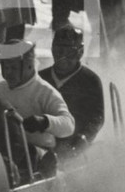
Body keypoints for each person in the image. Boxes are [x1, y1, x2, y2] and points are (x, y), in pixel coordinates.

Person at [0, 40, 75, 175]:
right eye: (6, 67)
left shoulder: (44, 92)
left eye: (14, 68)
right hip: (2, 151)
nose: (9, 73)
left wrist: (45, 122)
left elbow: (68, 125)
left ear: (28, 66)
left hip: (37, 156)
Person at [38, 26, 104, 155]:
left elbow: (96, 118)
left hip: (75, 146)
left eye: (69, 52)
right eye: (59, 50)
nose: (63, 56)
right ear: (52, 50)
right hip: (43, 145)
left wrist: (83, 139)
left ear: (80, 52)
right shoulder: (41, 78)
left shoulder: (90, 80)